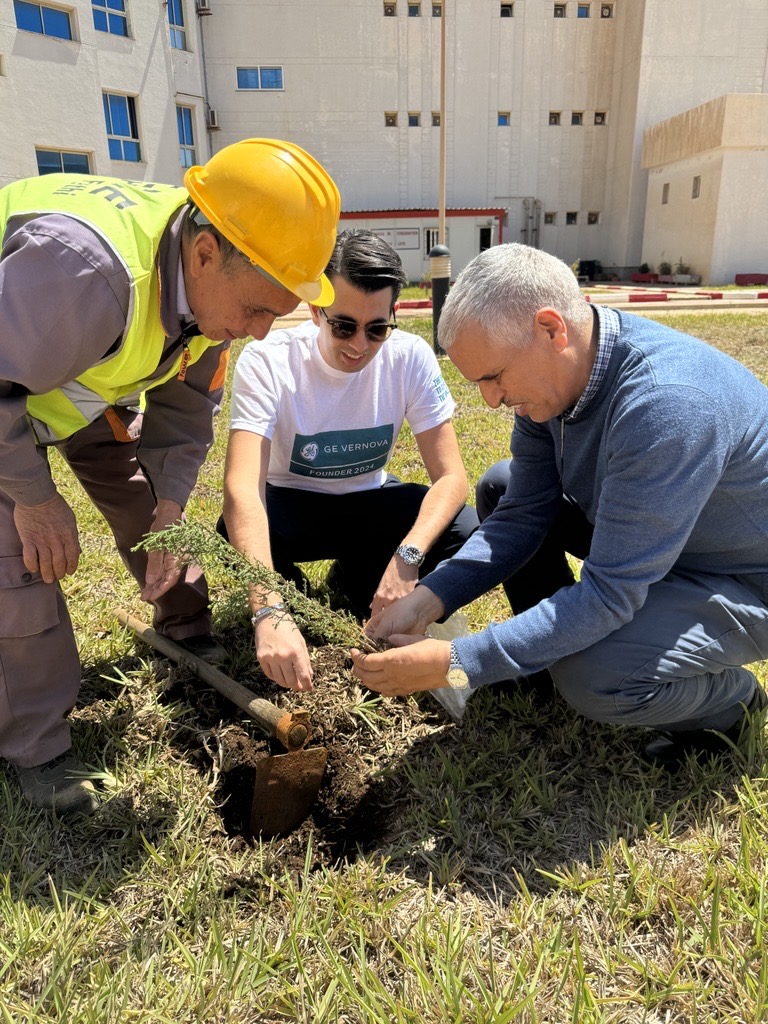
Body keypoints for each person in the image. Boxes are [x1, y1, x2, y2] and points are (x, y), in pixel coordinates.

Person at [0, 138, 340, 815]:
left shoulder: (207, 285)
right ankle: (35, 748)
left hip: (76, 377)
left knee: (152, 508)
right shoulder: (86, 274)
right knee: (20, 564)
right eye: (257, 311)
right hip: (12, 376)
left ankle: (188, 629)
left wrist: (170, 511)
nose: (264, 333)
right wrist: (34, 496)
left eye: (278, 313)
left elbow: (185, 414)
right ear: (207, 252)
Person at [351, 242, 768, 770]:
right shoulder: (559, 380)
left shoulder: (666, 406)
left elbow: (612, 594)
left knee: (594, 677)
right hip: (671, 543)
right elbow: (524, 512)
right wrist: (431, 597)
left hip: (741, 578)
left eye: (494, 376)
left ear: (552, 329)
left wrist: (458, 663)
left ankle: (731, 702)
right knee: (503, 487)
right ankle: (546, 653)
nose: (490, 400)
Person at [219, 229, 478, 693]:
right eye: (344, 326)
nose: (360, 344)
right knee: (234, 528)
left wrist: (408, 557)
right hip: (293, 506)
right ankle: (293, 602)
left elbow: (452, 478)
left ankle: (360, 580)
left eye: (377, 328)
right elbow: (242, 488)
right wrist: (268, 608)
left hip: (369, 500)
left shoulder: (410, 357)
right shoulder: (267, 361)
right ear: (316, 310)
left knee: (465, 528)